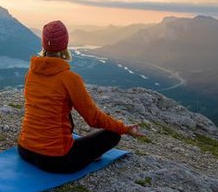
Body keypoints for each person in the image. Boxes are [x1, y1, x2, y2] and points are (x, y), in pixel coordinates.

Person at [17, 20, 143, 173]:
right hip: (55, 160)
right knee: (113, 135)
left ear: (43, 44)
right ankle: (88, 156)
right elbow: (93, 118)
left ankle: (81, 152)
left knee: (62, 111)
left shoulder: (31, 74)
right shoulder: (70, 79)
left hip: (24, 150)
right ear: (65, 45)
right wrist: (123, 128)